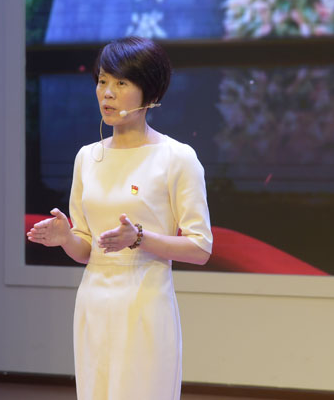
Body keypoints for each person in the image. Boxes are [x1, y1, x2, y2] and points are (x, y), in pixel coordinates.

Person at [26, 37, 212, 400]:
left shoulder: (177, 158)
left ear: (150, 93)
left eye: (121, 83)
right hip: (94, 303)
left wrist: (139, 238)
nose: (107, 93)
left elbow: (200, 248)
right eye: (102, 81)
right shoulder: (87, 157)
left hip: (145, 304)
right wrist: (66, 238)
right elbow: (86, 250)